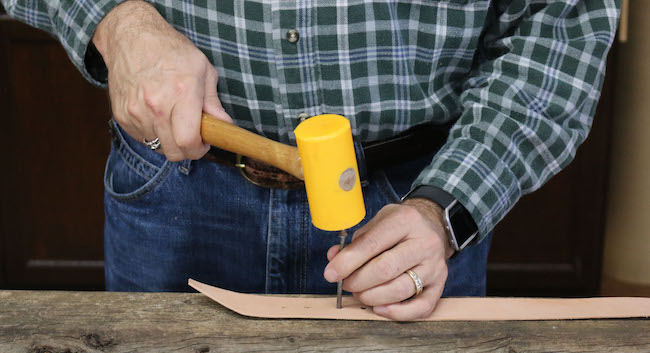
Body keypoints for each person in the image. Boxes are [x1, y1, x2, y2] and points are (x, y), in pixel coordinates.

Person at [3, 0, 619, 320]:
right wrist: (117, 22)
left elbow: (560, 25)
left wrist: (445, 210)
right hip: (178, 187)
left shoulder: (432, 212)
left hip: (417, 206)